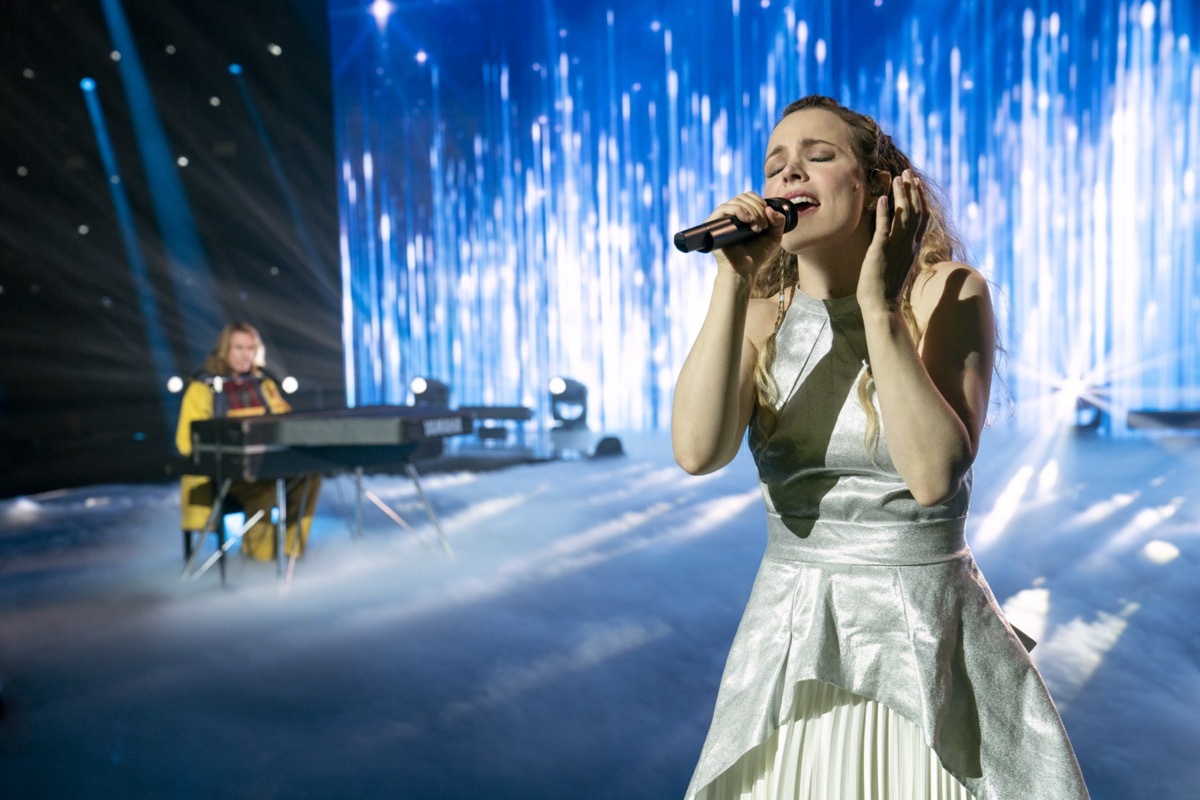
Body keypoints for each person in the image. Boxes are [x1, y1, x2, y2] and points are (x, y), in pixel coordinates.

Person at [672, 96, 1089, 800]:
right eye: (775, 165)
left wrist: (878, 307)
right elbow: (697, 451)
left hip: (923, 637)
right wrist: (732, 282)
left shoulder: (946, 293)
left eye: (818, 156)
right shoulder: (760, 312)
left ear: (876, 186)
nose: (789, 174)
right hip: (793, 636)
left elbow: (932, 475)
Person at [176, 321, 320, 561]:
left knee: (309, 477)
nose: (246, 355)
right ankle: (260, 561)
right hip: (226, 474)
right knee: (264, 490)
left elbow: (286, 423)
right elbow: (185, 442)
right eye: (239, 348)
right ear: (225, 350)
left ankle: (291, 553)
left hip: (267, 465)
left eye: (251, 348)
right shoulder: (202, 388)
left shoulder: (264, 385)